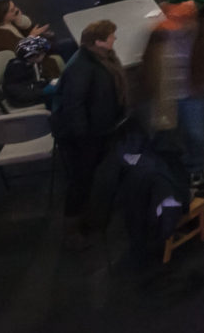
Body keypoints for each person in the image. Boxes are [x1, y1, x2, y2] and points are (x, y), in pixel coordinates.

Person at [53, 18, 129, 243]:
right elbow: (74, 105)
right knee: (80, 180)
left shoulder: (99, 58)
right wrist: (83, 138)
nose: (114, 39)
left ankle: (89, 217)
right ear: (99, 42)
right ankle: (72, 229)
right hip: (85, 137)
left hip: (100, 130)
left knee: (89, 178)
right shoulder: (82, 68)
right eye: (111, 36)